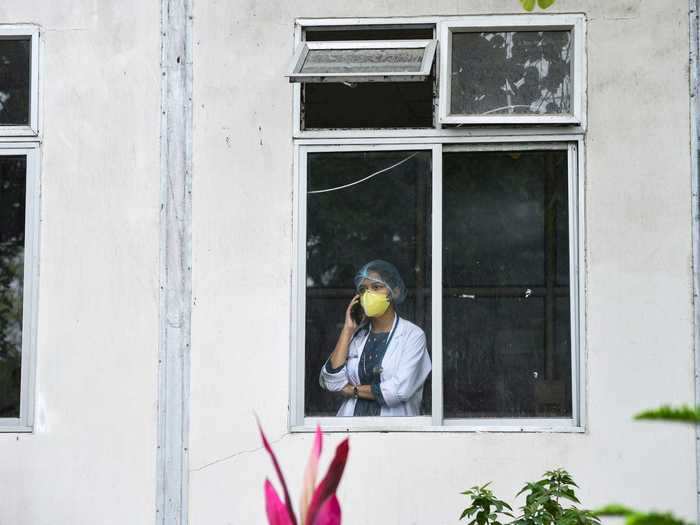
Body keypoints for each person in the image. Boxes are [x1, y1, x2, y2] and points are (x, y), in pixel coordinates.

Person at [319, 260, 431, 416]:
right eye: (364, 290)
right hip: (351, 427)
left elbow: (399, 391)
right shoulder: (357, 336)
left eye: (376, 287)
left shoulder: (412, 335)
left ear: (395, 292)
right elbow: (331, 382)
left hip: (393, 430)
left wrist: (353, 390)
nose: (368, 294)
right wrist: (347, 329)